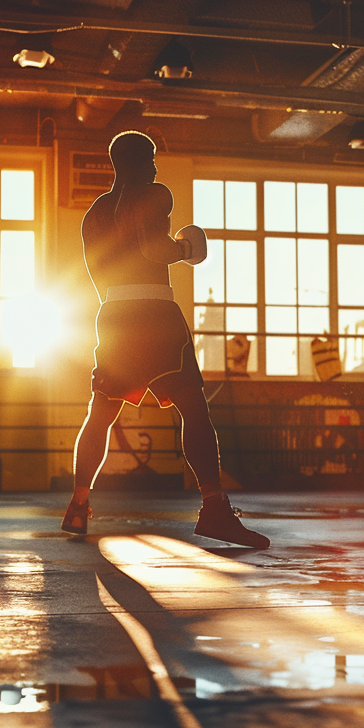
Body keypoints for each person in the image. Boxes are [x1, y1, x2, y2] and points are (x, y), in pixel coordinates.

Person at [62, 131, 269, 548]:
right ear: (139, 163)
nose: (157, 167)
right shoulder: (154, 194)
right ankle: (214, 509)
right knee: (193, 408)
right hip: (155, 315)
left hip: (114, 315)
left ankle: (78, 505)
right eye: (152, 159)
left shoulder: (94, 214)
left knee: (101, 412)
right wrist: (184, 248)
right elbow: (152, 247)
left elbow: (97, 273)